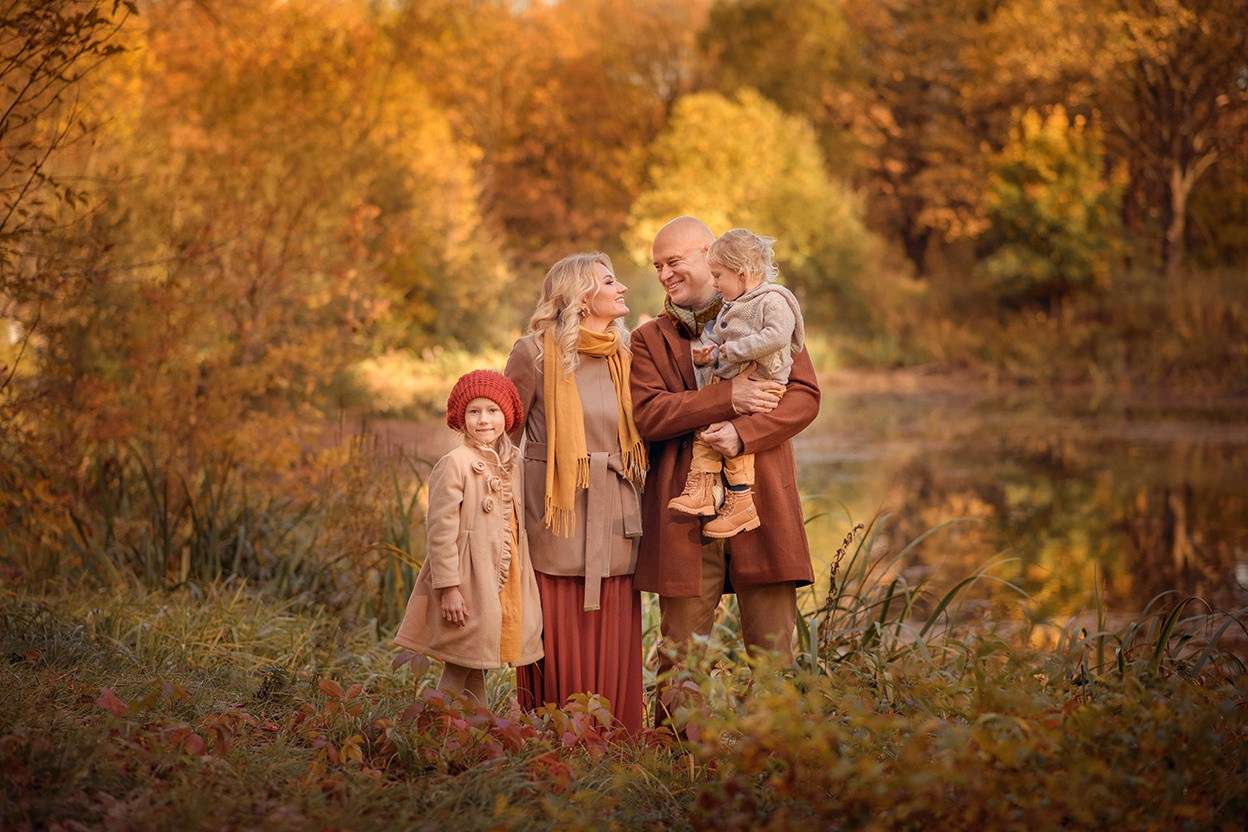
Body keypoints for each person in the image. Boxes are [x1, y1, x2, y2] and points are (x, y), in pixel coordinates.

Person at [630, 216, 820, 720]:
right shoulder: (649, 337)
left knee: (773, 652)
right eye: (657, 267)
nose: (665, 274)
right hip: (686, 513)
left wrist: (743, 433)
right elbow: (649, 415)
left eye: (674, 262)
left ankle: (773, 764)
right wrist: (725, 397)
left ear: (709, 256)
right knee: (681, 654)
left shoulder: (767, 309)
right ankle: (677, 764)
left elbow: (803, 397)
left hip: (763, 503)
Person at [504, 251, 648, 733]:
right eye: (610, 281)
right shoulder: (534, 353)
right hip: (558, 516)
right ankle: (556, 738)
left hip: (619, 515)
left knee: (615, 622)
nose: (622, 287)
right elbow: (503, 438)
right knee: (560, 622)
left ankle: (618, 737)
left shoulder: (627, 355)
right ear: (582, 298)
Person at [394, 370, 543, 704]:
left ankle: (476, 733)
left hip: (503, 576)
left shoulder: (512, 463)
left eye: (492, 411)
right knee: (464, 660)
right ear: (461, 419)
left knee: (477, 660)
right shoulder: (456, 463)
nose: (484, 420)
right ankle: (436, 730)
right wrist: (449, 588)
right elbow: (440, 531)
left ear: (507, 416)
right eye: (474, 412)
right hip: (468, 578)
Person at [669, 228, 806, 539]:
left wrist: (732, 351)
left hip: (762, 378)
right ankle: (701, 485)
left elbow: (777, 336)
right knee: (708, 432)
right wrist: (706, 354)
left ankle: (741, 500)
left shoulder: (773, 300)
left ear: (742, 273)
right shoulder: (732, 304)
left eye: (718, 275)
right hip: (733, 374)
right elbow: (718, 335)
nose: (714, 283)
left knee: (735, 436)